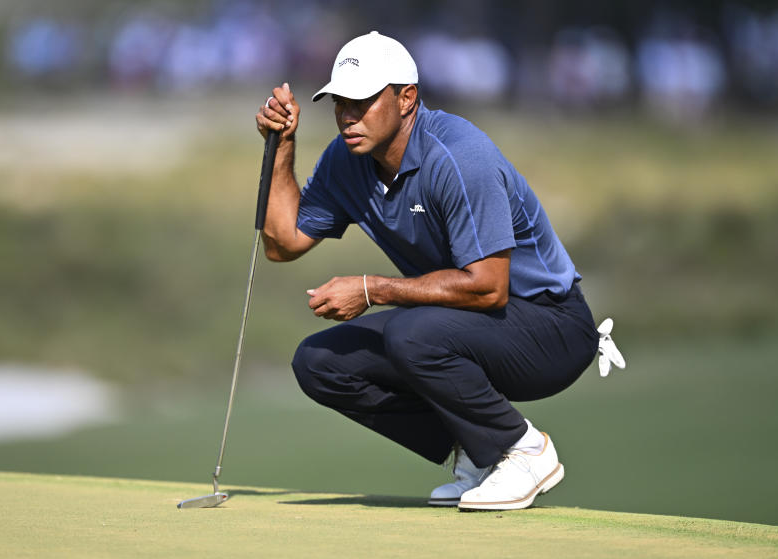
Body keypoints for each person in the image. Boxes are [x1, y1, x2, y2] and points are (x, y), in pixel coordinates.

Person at [255, 31, 599, 511]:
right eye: (339, 103)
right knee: (320, 363)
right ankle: (482, 458)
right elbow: (282, 243)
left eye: (362, 101)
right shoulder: (347, 158)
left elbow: (489, 289)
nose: (347, 116)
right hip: (462, 323)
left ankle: (525, 450)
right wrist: (284, 146)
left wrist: (373, 289)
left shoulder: (459, 157)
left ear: (406, 98)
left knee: (411, 334)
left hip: (551, 327)